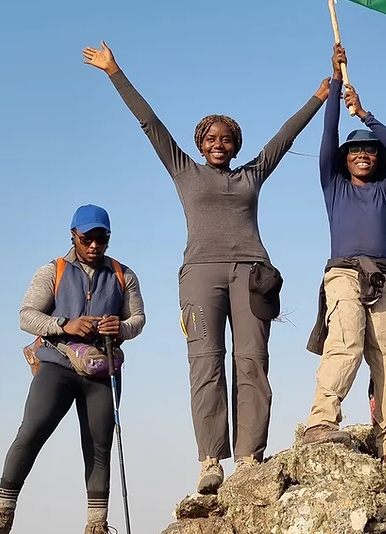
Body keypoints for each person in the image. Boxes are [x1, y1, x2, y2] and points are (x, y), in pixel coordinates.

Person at [84, 40, 329, 493]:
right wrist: (114, 71)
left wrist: (320, 96)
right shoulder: (184, 171)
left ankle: (250, 457)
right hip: (200, 274)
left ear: (237, 145)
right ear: (199, 145)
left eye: (226, 138)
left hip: (252, 275)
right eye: (211, 138)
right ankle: (211, 461)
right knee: (205, 364)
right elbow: (150, 124)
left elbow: (285, 137)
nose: (219, 144)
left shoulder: (251, 175)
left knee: (252, 362)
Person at [0, 205, 146, 534]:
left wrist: (120, 328)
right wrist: (65, 324)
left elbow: (137, 318)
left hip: (101, 368)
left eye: (101, 239)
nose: (94, 245)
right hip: (56, 365)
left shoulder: (124, 275)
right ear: (74, 236)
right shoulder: (54, 271)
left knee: (98, 446)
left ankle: (96, 531)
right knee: (31, 432)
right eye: (86, 238)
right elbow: (27, 316)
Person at [304, 45, 386, 465]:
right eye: (355, 151)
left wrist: (365, 115)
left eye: (369, 150)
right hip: (343, 272)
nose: (363, 154)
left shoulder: (385, 190)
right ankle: (321, 420)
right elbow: (327, 136)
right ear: (345, 159)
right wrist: (336, 83)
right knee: (347, 339)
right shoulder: (334, 187)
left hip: (383, 277)